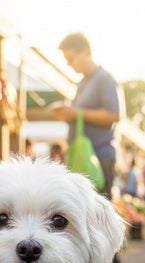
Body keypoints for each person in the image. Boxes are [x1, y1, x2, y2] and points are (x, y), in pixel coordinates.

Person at [51, 32, 121, 200]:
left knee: (97, 212)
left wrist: (76, 113)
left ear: (85, 52)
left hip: (98, 157)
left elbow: (115, 114)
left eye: (71, 59)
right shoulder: (82, 82)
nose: (69, 64)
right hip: (80, 158)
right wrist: (68, 114)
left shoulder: (104, 79)